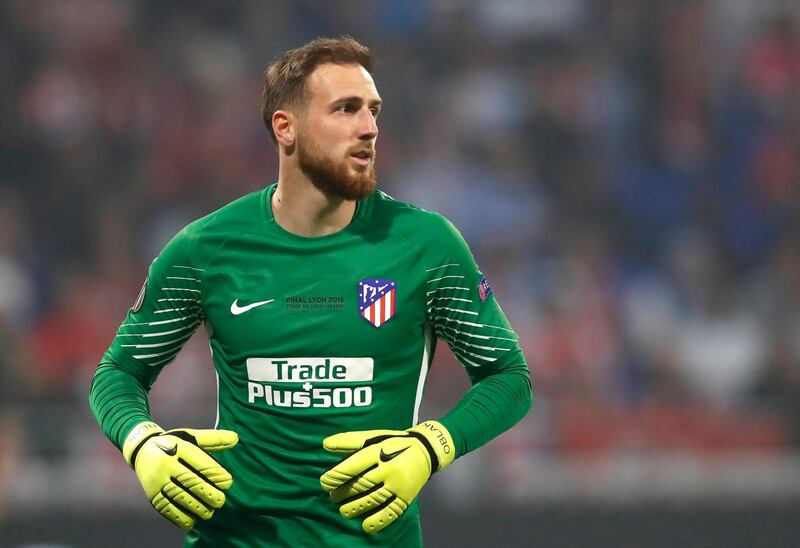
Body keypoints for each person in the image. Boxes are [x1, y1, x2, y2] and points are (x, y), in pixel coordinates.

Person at [89, 36, 531, 547]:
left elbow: (509, 378)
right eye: (346, 109)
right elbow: (118, 373)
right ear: (286, 127)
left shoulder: (425, 246)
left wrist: (432, 445)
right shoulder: (206, 249)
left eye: (373, 111)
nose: (369, 128)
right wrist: (142, 443)